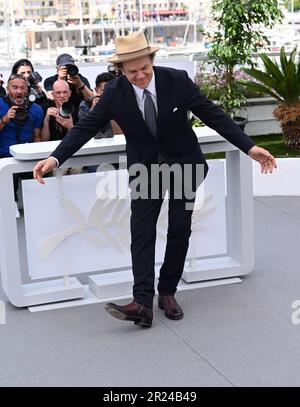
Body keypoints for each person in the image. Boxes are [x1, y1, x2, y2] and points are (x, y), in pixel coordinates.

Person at [33, 31, 277, 329]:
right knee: (142, 233)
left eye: (144, 69)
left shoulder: (177, 81)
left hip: (183, 166)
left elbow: (213, 115)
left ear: (152, 60)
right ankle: (141, 303)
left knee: (178, 230)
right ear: (120, 70)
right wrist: (55, 158)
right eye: (132, 71)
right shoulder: (114, 93)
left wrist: (250, 147)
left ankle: (168, 293)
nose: (139, 76)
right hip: (146, 171)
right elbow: (84, 129)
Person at [0, 74, 43, 217]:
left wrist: (39, 159)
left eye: (22, 88)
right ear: (7, 89)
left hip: (27, 155)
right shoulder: (0, 104)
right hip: (4, 156)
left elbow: (37, 137)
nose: (18, 91)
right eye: (14, 87)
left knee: (41, 173)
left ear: (26, 90)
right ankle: (11, 204)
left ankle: (36, 206)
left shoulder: (36, 109)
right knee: (7, 173)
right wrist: (5, 119)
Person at [44, 53, 93, 122]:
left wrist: (80, 85)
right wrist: (60, 79)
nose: (68, 70)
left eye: (70, 67)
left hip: (78, 116)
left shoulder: (81, 79)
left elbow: (92, 100)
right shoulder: (50, 81)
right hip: (58, 116)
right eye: (64, 68)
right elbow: (52, 97)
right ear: (57, 69)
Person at [78, 72, 122, 137]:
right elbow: (83, 131)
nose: (108, 94)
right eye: (103, 90)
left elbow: (120, 134)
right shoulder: (86, 104)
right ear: (96, 90)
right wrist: (94, 109)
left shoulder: (122, 104)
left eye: (111, 90)